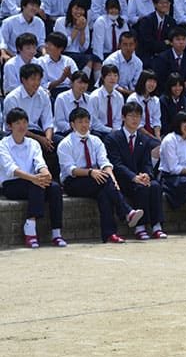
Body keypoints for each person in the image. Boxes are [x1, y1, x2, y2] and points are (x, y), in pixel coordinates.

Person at [58, 107, 144, 243]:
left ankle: (109, 234)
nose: (84, 125)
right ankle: (127, 212)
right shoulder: (65, 144)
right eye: (80, 122)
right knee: (104, 183)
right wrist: (91, 172)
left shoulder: (96, 141)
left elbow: (105, 162)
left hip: (97, 179)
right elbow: (71, 170)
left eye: (87, 121)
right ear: (72, 124)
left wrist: (113, 179)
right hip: (73, 181)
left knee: (105, 193)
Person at [0, 107, 66, 248]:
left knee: (54, 187)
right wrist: (34, 178)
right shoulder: (3, 145)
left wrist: (45, 172)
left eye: (24, 122)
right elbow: (11, 169)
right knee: (36, 184)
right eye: (17, 123)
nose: (22, 126)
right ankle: (30, 229)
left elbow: (39, 162)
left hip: (33, 182)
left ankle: (56, 232)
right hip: (12, 185)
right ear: (10, 126)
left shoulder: (33, 143)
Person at [105, 102, 167, 240]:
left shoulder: (143, 139)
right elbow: (116, 164)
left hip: (140, 177)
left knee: (155, 185)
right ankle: (140, 227)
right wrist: (133, 177)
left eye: (138, 116)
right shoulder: (113, 138)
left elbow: (147, 162)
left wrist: (147, 175)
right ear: (123, 117)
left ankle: (157, 226)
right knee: (141, 188)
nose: (135, 119)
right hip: (123, 179)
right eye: (131, 116)